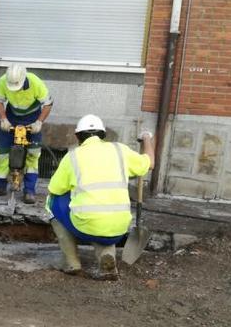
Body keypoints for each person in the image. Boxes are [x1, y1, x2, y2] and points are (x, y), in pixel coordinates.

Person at [46, 114, 155, 279]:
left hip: (87, 226)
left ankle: (72, 262)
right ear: (103, 135)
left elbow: (55, 189)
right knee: (104, 221)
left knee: (52, 202)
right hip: (119, 229)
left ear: (77, 136)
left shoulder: (73, 156)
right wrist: (147, 138)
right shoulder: (120, 150)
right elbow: (150, 163)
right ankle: (107, 254)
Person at [0, 64, 53, 204]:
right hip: (12, 117)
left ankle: (29, 191)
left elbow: (48, 104)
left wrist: (39, 122)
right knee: (2, 152)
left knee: (33, 155)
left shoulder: (35, 82)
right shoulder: (4, 81)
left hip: (32, 118)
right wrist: (3, 119)